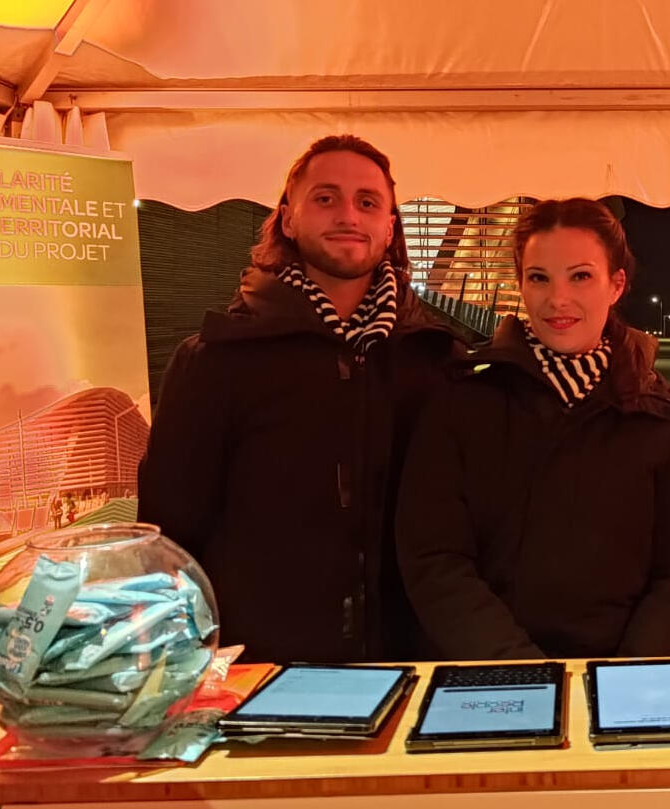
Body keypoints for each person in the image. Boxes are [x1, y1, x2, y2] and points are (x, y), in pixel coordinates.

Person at [138, 135, 463, 664]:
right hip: (261, 662)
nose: (348, 215)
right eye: (325, 197)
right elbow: (170, 530)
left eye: (367, 202)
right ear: (288, 219)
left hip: (410, 656)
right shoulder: (216, 360)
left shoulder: (435, 360)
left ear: (389, 226)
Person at [396, 198, 670, 660]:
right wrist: (519, 669)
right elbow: (433, 558)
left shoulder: (662, 416)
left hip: (620, 683)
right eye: (539, 278)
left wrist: (632, 672)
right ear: (521, 284)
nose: (558, 299)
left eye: (581, 276)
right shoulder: (461, 402)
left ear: (616, 285)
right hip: (492, 674)